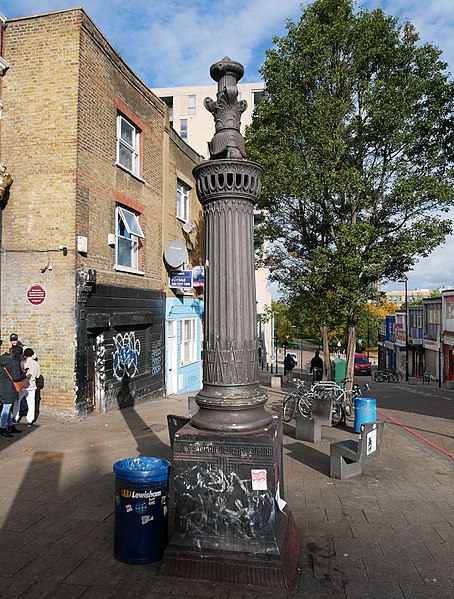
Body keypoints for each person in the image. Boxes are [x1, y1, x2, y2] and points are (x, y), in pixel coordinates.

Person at [0, 348, 26, 437]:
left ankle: (11, 426)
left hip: (2, 386)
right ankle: (3, 428)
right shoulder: (13, 361)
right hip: (9, 388)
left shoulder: (1, 359)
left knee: (6, 406)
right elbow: (15, 377)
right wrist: (24, 374)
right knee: (6, 409)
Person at [13, 348, 40, 427]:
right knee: (31, 403)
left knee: (17, 401)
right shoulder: (36, 364)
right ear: (32, 354)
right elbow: (38, 376)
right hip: (32, 385)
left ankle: (15, 417)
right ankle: (30, 420)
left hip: (23, 385)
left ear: (25, 355)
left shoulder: (22, 363)